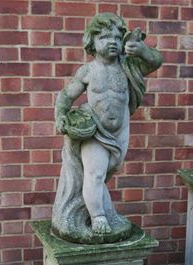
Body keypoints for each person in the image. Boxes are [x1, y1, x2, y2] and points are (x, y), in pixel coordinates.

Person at [52, 13, 162, 243]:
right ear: (91, 42)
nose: (112, 41)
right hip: (95, 131)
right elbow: (66, 95)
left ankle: (99, 209)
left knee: (104, 174)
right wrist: (61, 115)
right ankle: (98, 216)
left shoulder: (128, 67)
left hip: (119, 132)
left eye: (117, 37)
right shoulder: (88, 71)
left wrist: (141, 49)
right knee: (95, 173)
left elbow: (156, 61)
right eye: (104, 37)